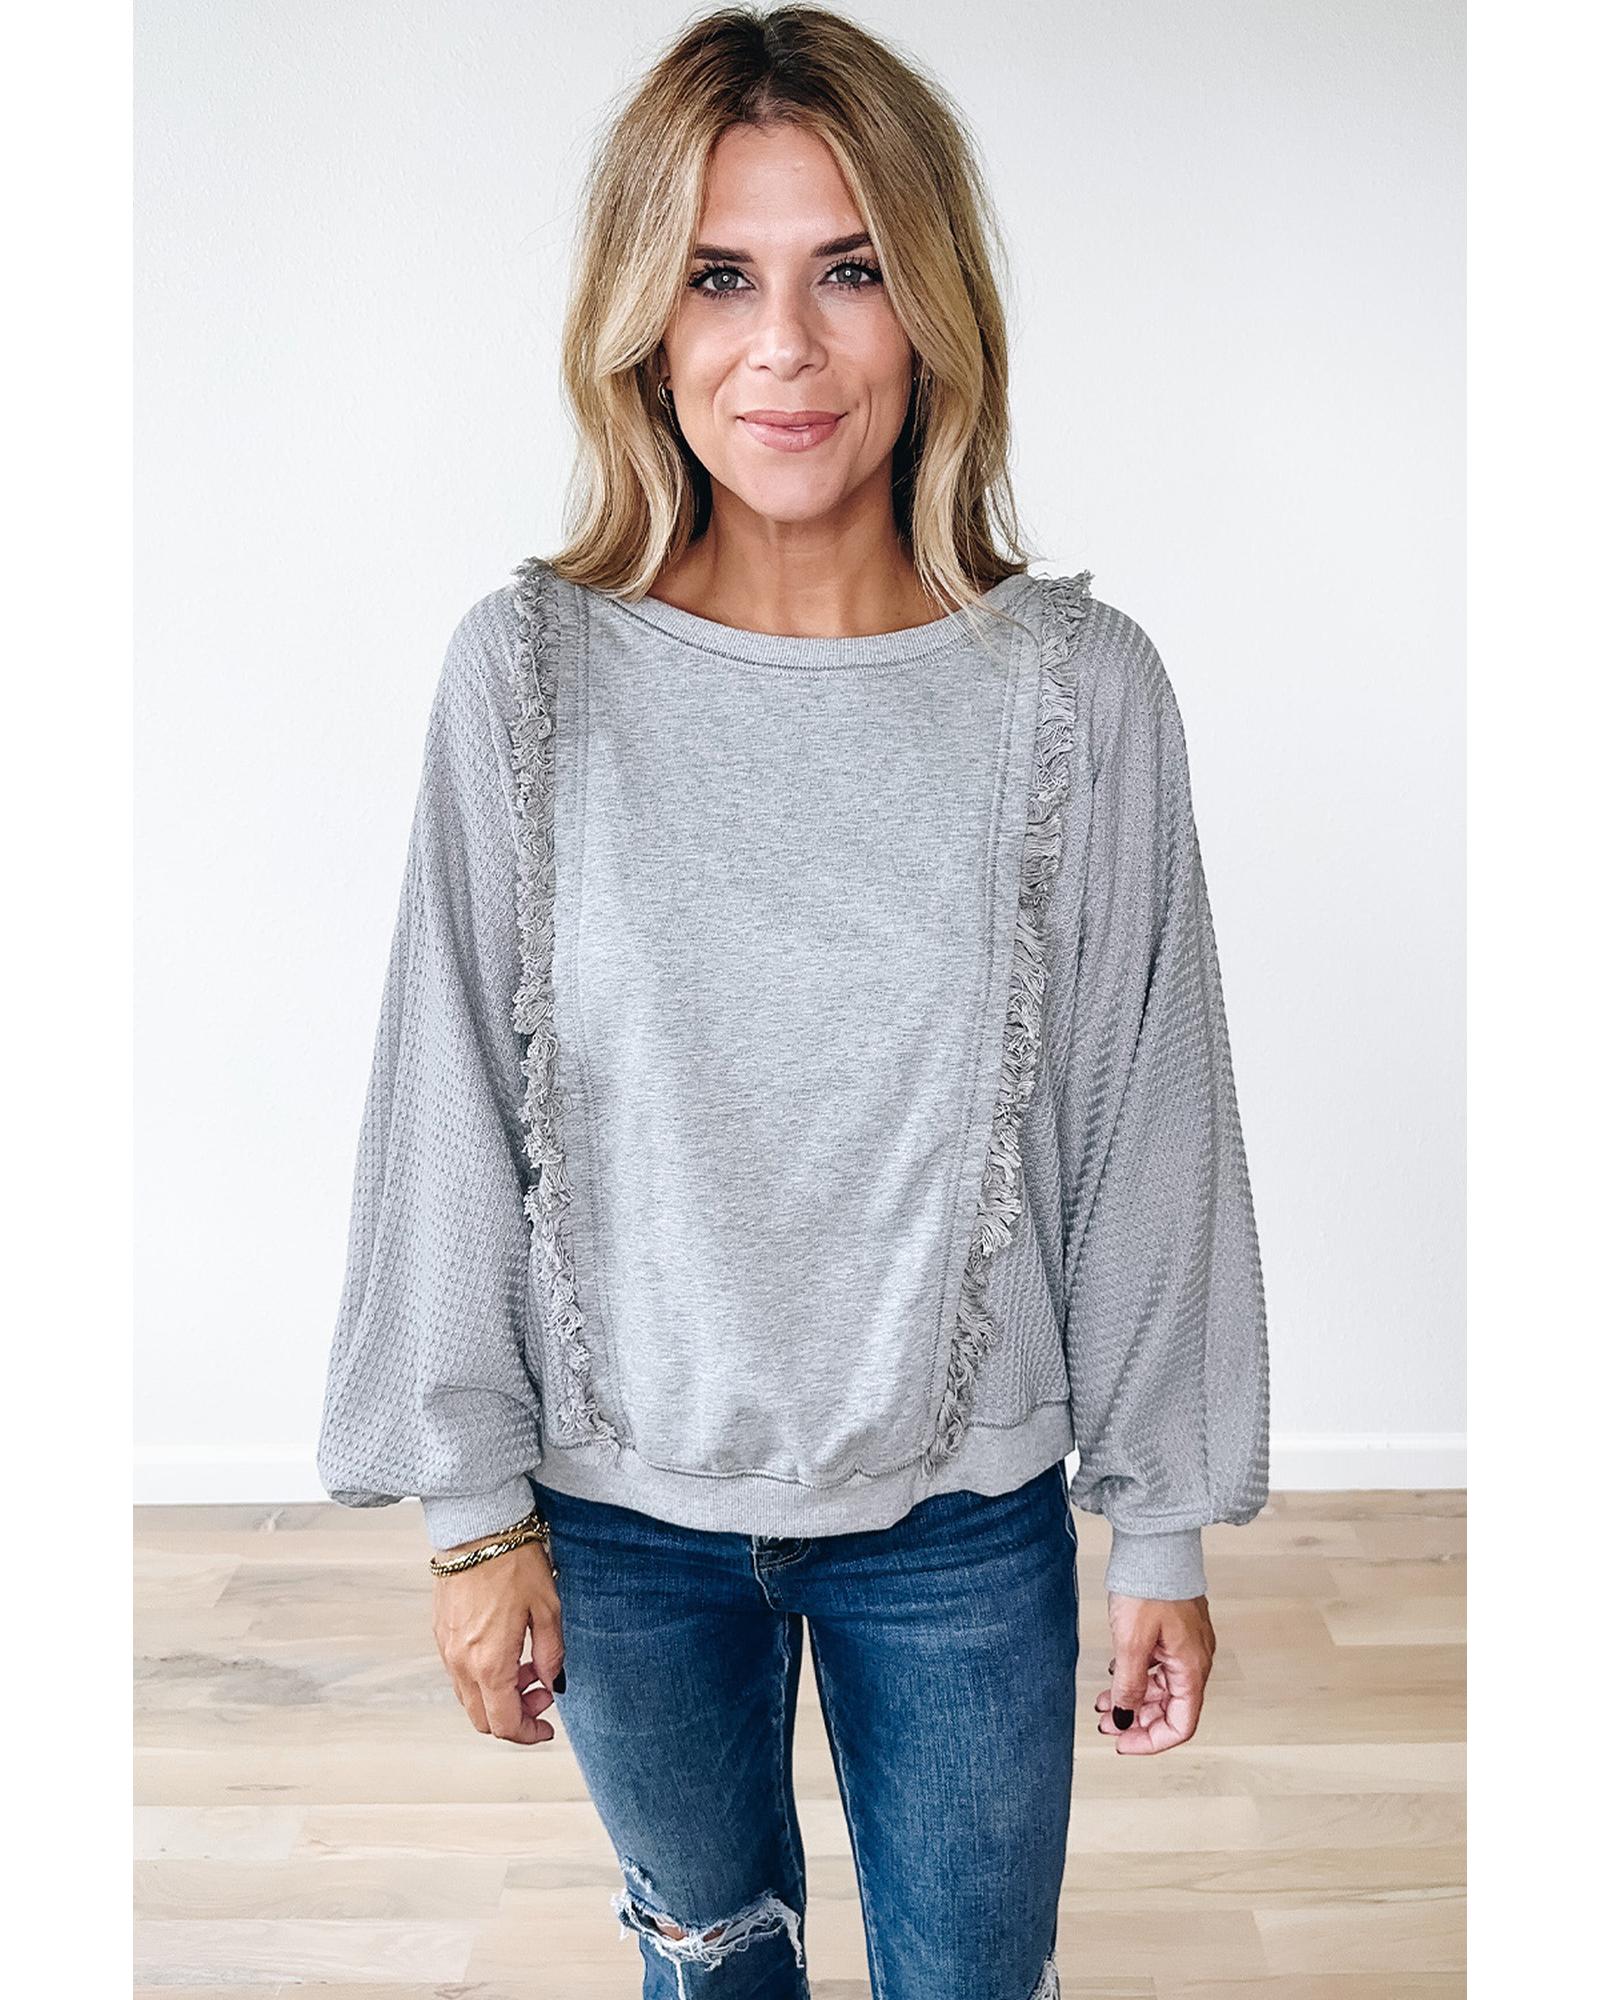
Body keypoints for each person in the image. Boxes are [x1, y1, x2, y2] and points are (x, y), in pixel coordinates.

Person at [315, 8, 1270, 1996]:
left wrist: (1161, 1530)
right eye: (718, 277)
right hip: (619, 1522)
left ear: (931, 307)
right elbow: (445, 1106)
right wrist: (472, 1518)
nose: (785, 347)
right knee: (711, 1961)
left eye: (848, 270)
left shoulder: (1076, 693)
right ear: (640, 323)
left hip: (962, 1520)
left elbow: (1148, 1126)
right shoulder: (527, 676)